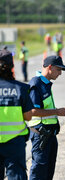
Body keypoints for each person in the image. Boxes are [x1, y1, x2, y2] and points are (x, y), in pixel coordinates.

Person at [28, 55, 65, 180]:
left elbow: (47, 110)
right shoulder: (36, 83)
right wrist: (57, 112)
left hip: (49, 135)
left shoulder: (46, 83)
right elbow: (33, 111)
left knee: (48, 172)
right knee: (39, 172)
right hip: (41, 135)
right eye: (58, 69)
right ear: (50, 67)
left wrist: (63, 112)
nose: (60, 73)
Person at [0, 49, 33, 180]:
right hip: (14, 142)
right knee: (16, 175)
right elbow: (28, 117)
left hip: (14, 142)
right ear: (11, 66)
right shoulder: (21, 89)